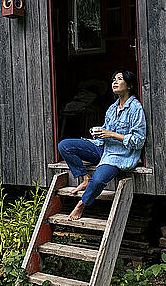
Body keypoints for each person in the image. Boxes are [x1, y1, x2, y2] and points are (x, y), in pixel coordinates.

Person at [57, 70, 147, 220]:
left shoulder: (135, 108)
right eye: (113, 79)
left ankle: (81, 205)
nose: (115, 82)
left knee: (98, 180)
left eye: (119, 79)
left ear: (130, 85)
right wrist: (98, 134)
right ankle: (84, 178)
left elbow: (138, 140)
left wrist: (111, 135)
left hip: (118, 155)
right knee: (64, 145)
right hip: (102, 148)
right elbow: (106, 132)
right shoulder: (112, 108)